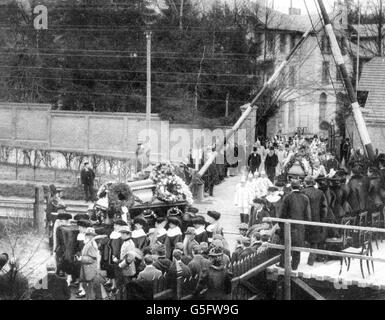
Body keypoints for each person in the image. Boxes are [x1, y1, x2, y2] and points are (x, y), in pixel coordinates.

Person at [279, 180, 311, 270]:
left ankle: (283, 264)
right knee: (297, 246)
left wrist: (280, 225)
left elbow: (282, 213)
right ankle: (295, 266)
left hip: (288, 226)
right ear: (299, 187)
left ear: (291, 187)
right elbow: (308, 215)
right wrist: (306, 227)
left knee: (286, 245)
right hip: (300, 226)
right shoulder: (305, 198)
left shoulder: (287, 197)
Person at [301, 176, 328, 265]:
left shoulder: (302, 192)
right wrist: (322, 220)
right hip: (317, 219)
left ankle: (296, 261)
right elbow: (324, 208)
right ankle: (311, 261)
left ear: (306, 183)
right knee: (315, 241)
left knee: (303, 239)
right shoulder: (320, 192)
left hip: (304, 220)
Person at [77, 227, 99, 300]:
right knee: (88, 289)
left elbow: (92, 259)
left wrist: (81, 259)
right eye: (87, 234)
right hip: (87, 268)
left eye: (90, 235)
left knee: (90, 290)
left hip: (90, 269)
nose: (87, 236)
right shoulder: (88, 243)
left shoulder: (92, 244)